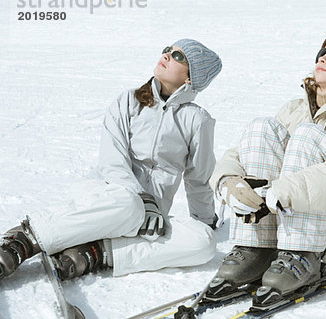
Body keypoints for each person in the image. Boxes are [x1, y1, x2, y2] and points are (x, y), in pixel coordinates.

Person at [0, 39, 222, 280]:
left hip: (148, 218)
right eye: (167, 50)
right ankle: (25, 239)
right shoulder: (129, 101)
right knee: (129, 205)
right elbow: (111, 161)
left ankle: (95, 253)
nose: (167, 55)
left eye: (178, 56)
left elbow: (198, 178)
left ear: (191, 78)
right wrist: (143, 199)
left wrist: (205, 221)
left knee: (203, 241)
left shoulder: (197, 120)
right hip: (106, 197)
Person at [206, 34, 326, 302]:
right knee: (262, 128)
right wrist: (229, 180)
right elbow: (241, 153)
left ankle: (303, 255)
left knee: (307, 136)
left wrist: (285, 190)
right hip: (287, 210)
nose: (323, 58)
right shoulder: (295, 109)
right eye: (321, 52)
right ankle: (257, 247)